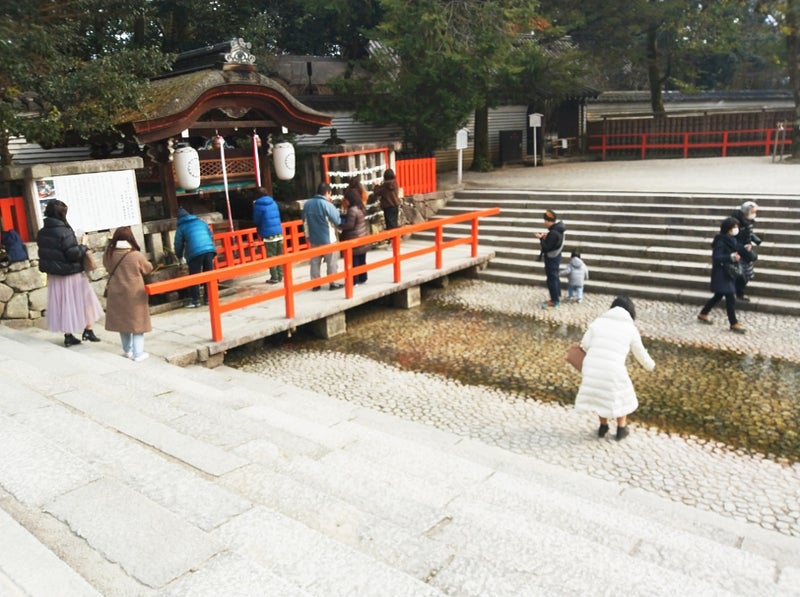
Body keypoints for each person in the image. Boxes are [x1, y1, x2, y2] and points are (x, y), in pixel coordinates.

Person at [575, 295, 655, 441]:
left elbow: (584, 344)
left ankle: (603, 426)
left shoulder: (598, 323)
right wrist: (650, 366)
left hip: (592, 367)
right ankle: (621, 428)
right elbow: (640, 353)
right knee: (622, 396)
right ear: (631, 312)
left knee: (601, 394)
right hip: (613, 369)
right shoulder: (630, 328)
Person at [36, 199, 104, 346]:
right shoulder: (65, 231)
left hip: (54, 275)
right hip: (71, 273)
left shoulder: (42, 232)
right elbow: (72, 254)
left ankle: (68, 335)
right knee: (86, 300)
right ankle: (88, 330)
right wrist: (84, 245)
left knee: (63, 304)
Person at [103, 226, 154, 361]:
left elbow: (107, 267)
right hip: (134, 292)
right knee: (138, 323)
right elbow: (147, 269)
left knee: (123, 322)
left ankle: (128, 351)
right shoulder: (135, 255)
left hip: (116, 291)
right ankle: (138, 353)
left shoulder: (109, 253)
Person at [697, 216, 748, 334]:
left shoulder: (731, 239)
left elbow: (736, 248)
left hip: (727, 273)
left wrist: (744, 249)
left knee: (718, 295)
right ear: (728, 228)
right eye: (734, 227)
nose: (736, 229)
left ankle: (703, 313)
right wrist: (730, 257)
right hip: (722, 273)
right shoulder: (721, 241)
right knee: (730, 297)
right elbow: (717, 257)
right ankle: (733, 323)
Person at [302, 182, 342, 291]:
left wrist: (307, 236)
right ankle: (333, 282)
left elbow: (304, 222)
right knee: (331, 262)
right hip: (327, 238)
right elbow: (337, 220)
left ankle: (316, 283)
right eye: (330, 194)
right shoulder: (327, 205)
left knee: (315, 262)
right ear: (327, 192)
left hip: (314, 238)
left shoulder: (307, 204)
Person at [174, 207, 216, 308]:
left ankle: (195, 300)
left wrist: (179, 257)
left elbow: (178, 244)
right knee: (209, 275)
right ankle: (208, 298)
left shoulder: (181, 227)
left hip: (195, 253)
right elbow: (210, 235)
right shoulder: (201, 222)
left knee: (195, 277)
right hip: (209, 250)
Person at [731, 200, 762, 301]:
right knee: (742, 274)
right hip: (739, 252)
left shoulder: (747, 221)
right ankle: (738, 293)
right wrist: (743, 247)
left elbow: (749, 232)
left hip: (745, 251)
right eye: (752, 212)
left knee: (748, 274)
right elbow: (733, 239)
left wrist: (755, 240)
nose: (754, 214)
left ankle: (737, 291)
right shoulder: (736, 223)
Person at [535, 209, 566, 308]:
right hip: (557, 257)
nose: (544, 223)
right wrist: (546, 237)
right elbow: (553, 242)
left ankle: (554, 300)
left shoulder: (553, 233)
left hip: (552, 258)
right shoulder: (559, 229)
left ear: (549, 221)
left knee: (551, 279)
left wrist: (540, 238)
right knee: (555, 277)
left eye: (545, 221)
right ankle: (557, 295)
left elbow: (546, 247)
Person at [253, 187, 283, 284]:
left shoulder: (258, 205)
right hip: (278, 232)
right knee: (279, 255)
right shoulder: (273, 202)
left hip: (268, 234)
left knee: (271, 256)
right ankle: (280, 274)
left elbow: (256, 220)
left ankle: (274, 276)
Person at [340, 184, 369, 285]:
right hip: (362, 237)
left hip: (354, 238)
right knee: (362, 260)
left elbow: (349, 225)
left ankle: (354, 281)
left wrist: (340, 226)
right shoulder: (361, 207)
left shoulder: (352, 210)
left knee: (354, 262)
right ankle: (363, 278)